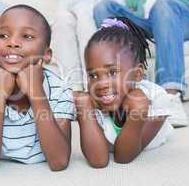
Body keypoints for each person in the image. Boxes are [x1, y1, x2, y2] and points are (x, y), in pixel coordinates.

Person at [0, 4, 75, 175]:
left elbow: (59, 161)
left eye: (27, 36)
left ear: (47, 54)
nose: (13, 42)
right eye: (4, 35)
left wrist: (37, 93)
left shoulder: (60, 89)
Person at [93, 0, 189, 127]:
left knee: (163, 4)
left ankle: (170, 96)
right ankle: (127, 96)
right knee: (103, 6)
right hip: (151, 27)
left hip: (183, 23)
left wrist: (177, 10)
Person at [74, 17, 175, 168]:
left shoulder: (156, 98)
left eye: (113, 72)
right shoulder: (93, 101)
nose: (101, 84)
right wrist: (84, 110)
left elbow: (123, 157)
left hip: (146, 141)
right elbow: (98, 161)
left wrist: (138, 113)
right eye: (93, 75)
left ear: (138, 74)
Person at [52, 0, 124, 92]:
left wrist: (81, 14)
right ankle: (73, 87)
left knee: (84, 20)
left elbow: (122, 24)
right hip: (73, 37)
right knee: (64, 19)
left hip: (102, 37)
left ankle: (89, 86)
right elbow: (59, 25)